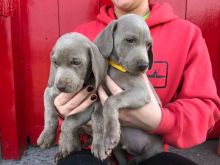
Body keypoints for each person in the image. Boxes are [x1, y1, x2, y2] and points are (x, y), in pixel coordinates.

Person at [54, 0, 220, 164]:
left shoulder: (186, 34)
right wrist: (64, 111)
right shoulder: (82, 37)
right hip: (91, 148)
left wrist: (161, 120)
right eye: (129, 41)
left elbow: (206, 109)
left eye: (147, 45)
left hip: (149, 153)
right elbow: (61, 95)